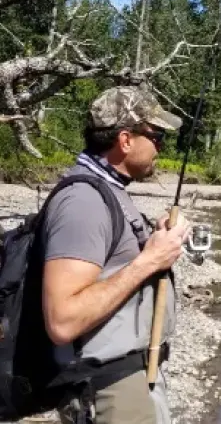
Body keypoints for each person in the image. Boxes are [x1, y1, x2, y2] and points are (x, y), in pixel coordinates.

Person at [41, 85, 189, 424]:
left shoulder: (107, 191)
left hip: (130, 378)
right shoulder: (83, 202)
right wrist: (149, 261)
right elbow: (62, 320)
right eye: (156, 137)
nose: (160, 148)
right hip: (111, 387)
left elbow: (110, 267)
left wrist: (157, 242)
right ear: (125, 140)